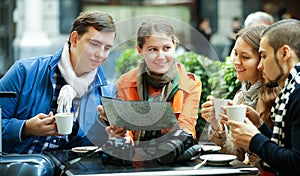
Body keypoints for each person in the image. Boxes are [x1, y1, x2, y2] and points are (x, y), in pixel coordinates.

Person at [0, 10, 116, 154]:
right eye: (94, 44)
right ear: (74, 39)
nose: (101, 54)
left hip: (70, 169)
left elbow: (93, 148)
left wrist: (109, 132)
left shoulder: (107, 92)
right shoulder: (24, 71)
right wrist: (25, 128)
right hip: (21, 163)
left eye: (107, 48)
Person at [102, 18, 202, 144]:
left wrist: (174, 132)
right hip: (137, 157)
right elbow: (128, 133)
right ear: (139, 50)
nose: (161, 56)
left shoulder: (190, 83)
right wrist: (122, 135)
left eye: (166, 48)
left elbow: (187, 128)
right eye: (153, 49)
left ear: (174, 46)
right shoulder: (125, 82)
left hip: (175, 154)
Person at [226, 19, 300, 176]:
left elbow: (296, 162)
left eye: (264, 56)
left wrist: (255, 140)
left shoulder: (297, 92)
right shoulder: (292, 88)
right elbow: (282, 148)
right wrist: (259, 126)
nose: (260, 65)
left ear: (284, 53)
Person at [201, 25, 270, 165]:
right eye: (235, 54)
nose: (236, 61)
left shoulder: (277, 96)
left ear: (263, 60)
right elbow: (236, 154)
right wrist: (216, 124)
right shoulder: (241, 96)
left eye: (245, 56)